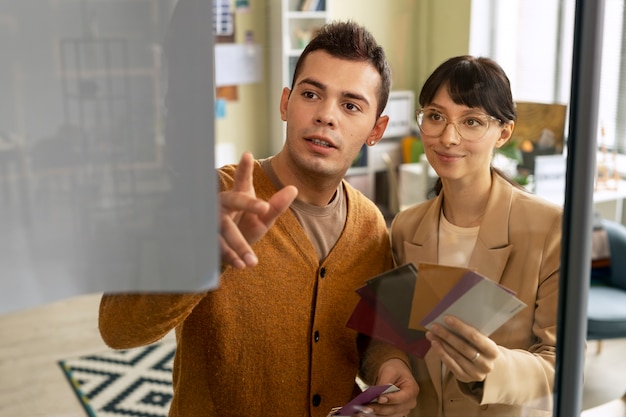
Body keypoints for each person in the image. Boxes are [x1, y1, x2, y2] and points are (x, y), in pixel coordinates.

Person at [99, 21, 418, 417]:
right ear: (286, 103)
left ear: (377, 129)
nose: (325, 116)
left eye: (351, 105)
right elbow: (117, 328)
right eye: (311, 94)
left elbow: (370, 337)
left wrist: (391, 364)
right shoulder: (210, 197)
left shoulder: (371, 226)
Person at [359, 55, 562, 416]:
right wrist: (392, 367)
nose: (448, 137)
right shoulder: (405, 228)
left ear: (504, 132)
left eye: (471, 122)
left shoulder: (549, 228)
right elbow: (393, 339)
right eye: (436, 117)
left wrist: (493, 368)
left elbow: (560, 367)